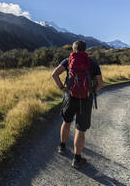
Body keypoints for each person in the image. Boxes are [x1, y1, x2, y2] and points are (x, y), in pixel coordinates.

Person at [51, 40, 103, 168]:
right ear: (85, 49)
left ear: (73, 49)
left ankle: (62, 147)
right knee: (80, 129)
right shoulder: (92, 63)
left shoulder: (68, 60)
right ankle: (77, 159)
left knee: (66, 121)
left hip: (70, 96)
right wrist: (92, 91)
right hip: (85, 98)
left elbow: (54, 74)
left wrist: (63, 89)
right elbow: (100, 83)